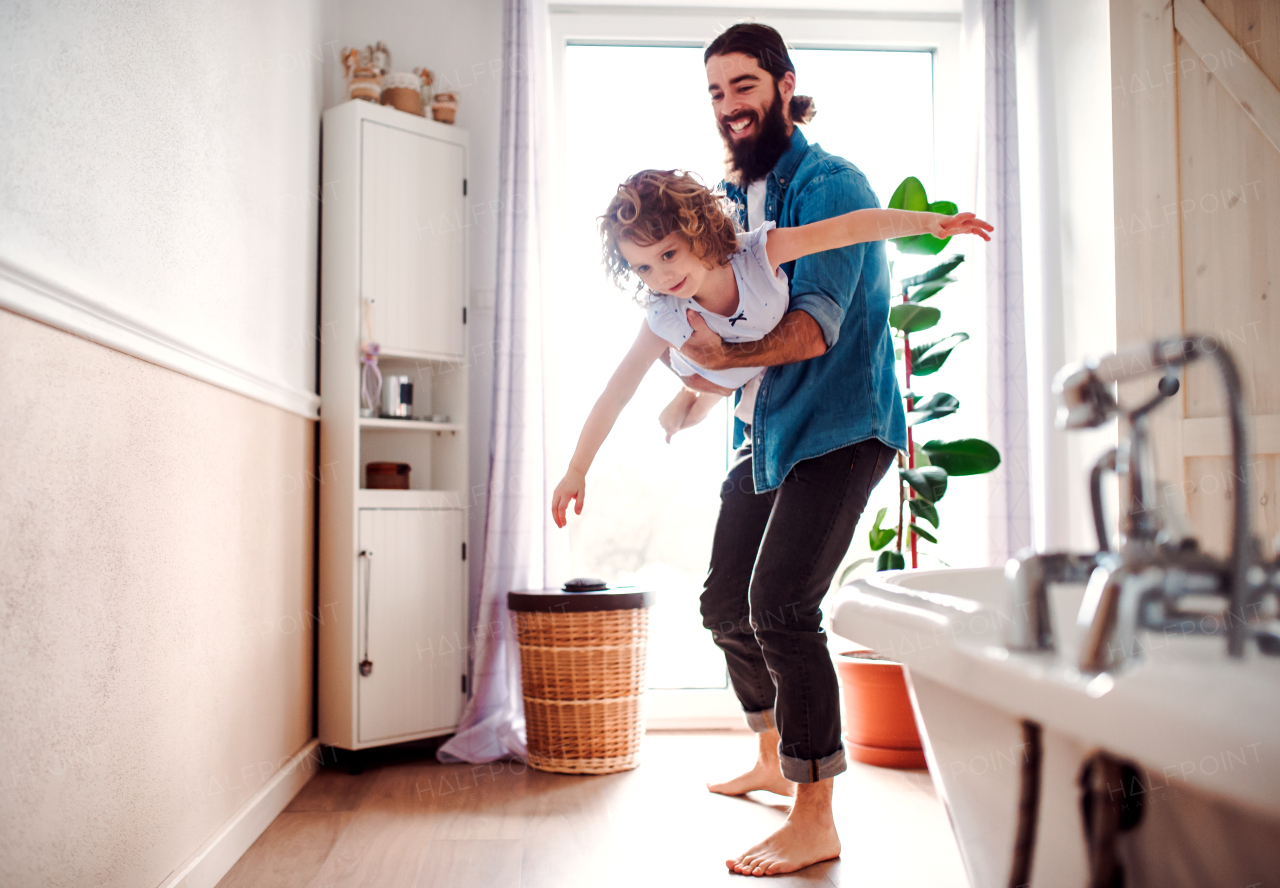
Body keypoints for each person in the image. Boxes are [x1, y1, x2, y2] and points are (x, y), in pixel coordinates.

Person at [681, 23, 937, 877]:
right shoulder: (741, 197)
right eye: (717, 92)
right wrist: (700, 386)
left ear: (785, 85)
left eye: (744, 86)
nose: (730, 107)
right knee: (725, 605)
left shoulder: (829, 185)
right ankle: (770, 752)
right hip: (770, 428)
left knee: (783, 606)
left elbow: (810, 331)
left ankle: (815, 812)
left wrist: (724, 361)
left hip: (841, 427)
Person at [550, 169, 987, 529]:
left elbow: (847, 228)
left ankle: (695, 397)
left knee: (718, 384)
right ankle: (693, 396)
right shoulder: (664, 313)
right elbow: (617, 390)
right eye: (643, 266)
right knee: (708, 385)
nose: (662, 276)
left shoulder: (757, 253)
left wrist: (926, 222)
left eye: (669, 254)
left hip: (741, 365)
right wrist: (576, 469)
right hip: (708, 370)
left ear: (697, 230)